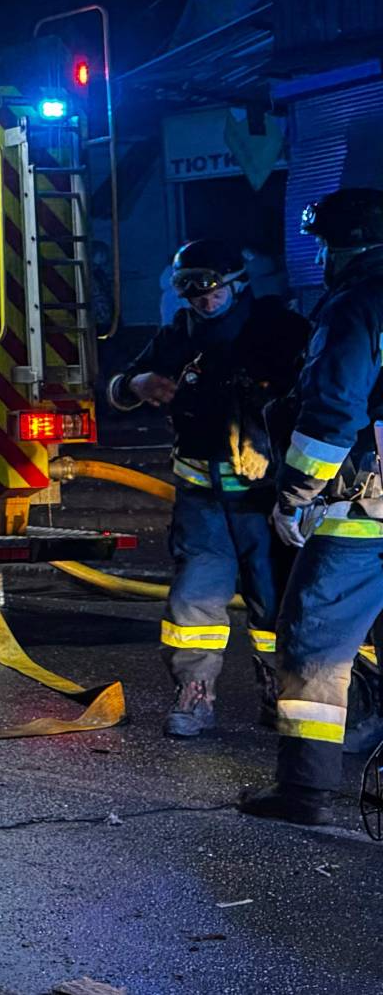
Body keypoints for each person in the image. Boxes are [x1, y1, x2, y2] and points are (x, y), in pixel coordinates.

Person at [105, 239, 310, 737]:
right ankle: (196, 692)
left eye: (211, 287)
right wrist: (134, 385)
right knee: (194, 599)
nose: (202, 298)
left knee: (273, 598)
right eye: (190, 288)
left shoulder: (278, 331)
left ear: (238, 283)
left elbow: (318, 396)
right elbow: (120, 384)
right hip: (201, 499)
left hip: (263, 498)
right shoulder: (180, 334)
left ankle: (278, 690)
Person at [241, 188, 383, 825]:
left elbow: (331, 413)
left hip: (364, 511)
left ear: (349, 244)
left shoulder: (357, 304)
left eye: (325, 244)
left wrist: (295, 498)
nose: (322, 256)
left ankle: (304, 792)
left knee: (314, 643)